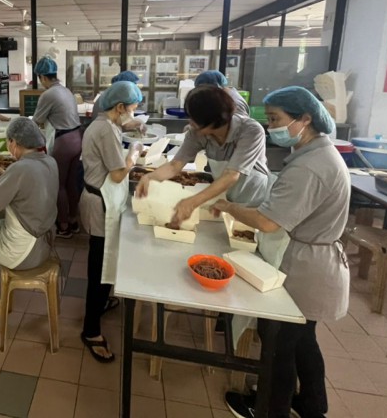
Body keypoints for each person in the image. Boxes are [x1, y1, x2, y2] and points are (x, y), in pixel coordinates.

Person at [215, 86, 350, 418]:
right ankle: (312, 406)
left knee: (277, 344)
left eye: (276, 119)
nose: (271, 126)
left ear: (305, 119)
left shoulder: (311, 166)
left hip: (306, 267)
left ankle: (268, 409)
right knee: (303, 340)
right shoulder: (317, 154)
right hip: (317, 258)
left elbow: (267, 221)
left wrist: (228, 206)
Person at [136, 87, 270, 227]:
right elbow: (174, 165)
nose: (191, 123)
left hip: (252, 197)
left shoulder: (250, 131)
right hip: (223, 192)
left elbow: (231, 175)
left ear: (214, 120)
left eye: (195, 119)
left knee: (244, 233)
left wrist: (192, 202)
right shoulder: (197, 133)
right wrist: (149, 177)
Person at [0, 118, 58, 317]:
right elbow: (28, 188)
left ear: (14, 143)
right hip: (46, 244)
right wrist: (4, 179)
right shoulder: (49, 161)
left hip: (23, 253)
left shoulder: (20, 169)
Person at [80, 81, 144, 363]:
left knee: (104, 259)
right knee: (99, 264)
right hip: (100, 203)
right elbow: (118, 174)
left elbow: (114, 134)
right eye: (130, 110)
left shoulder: (105, 125)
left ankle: (102, 301)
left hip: (100, 197)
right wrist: (134, 155)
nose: (131, 114)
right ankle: (90, 329)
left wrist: (129, 129)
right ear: (119, 107)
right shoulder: (105, 129)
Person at [32, 57, 83, 238]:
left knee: (58, 184)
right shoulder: (65, 90)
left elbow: (37, 121)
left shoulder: (49, 94)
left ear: (42, 77)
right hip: (77, 138)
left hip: (64, 141)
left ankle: (63, 226)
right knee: (71, 183)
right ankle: (73, 220)